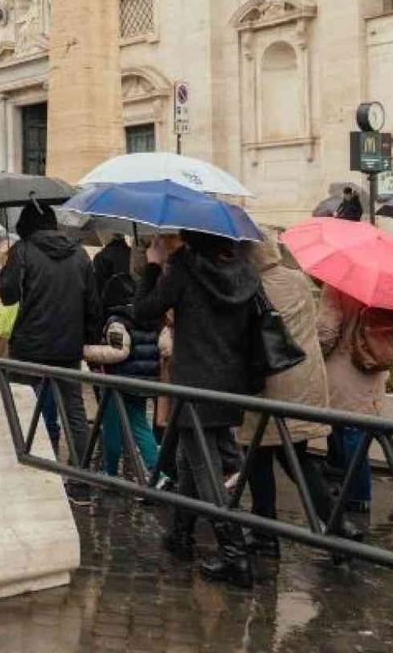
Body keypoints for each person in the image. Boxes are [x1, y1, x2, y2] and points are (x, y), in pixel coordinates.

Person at [135, 230, 260, 589]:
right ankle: (180, 533)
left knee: (205, 469)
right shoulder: (244, 271)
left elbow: (144, 311)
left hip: (194, 385)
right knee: (191, 460)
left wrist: (153, 267)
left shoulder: (185, 270)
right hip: (230, 384)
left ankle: (235, 555)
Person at [240, 229, 355, 556]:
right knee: (297, 458)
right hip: (303, 384)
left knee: (259, 459)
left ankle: (265, 534)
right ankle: (336, 524)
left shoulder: (250, 288)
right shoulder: (297, 280)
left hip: (268, 386)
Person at [0, 204, 100, 503]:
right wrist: (88, 339)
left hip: (29, 345)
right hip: (68, 346)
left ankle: (26, 471)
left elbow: (8, 297)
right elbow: (92, 303)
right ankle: (81, 484)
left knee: (22, 409)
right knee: (75, 412)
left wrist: (6, 268)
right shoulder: (80, 254)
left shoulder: (23, 251)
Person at [318, 286, 393, 518]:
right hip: (372, 365)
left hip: (344, 367)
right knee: (356, 432)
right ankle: (354, 492)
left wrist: (314, 352)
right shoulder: (386, 287)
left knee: (346, 432)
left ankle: (356, 494)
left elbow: (327, 331)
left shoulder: (337, 285)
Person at [81, 274, 160, 479]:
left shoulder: (118, 321)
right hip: (143, 380)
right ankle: (154, 470)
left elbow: (118, 351)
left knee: (114, 427)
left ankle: (147, 472)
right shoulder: (147, 316)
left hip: (120, 383)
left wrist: (87, 351)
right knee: (137, 424)